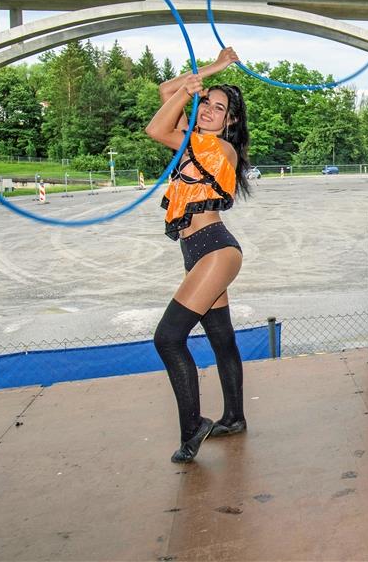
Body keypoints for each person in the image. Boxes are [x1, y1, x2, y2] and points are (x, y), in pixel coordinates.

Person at [145, 46, 253, 463]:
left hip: (215, 250)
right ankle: (235, 416)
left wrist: (189, 93)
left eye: (218, 108)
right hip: (199, 253)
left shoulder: (218, 149)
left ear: (230, 121)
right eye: (205, 103)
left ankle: (193, 428)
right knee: (222, 340)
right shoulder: (193, 142)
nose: (207, 109)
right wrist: (213, 70)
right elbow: (165, 89)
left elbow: (156, 128)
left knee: (168, 339)